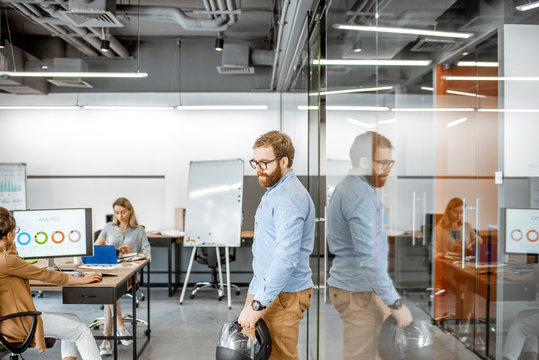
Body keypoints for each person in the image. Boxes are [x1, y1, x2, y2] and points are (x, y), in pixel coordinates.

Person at [327, 131, 413, 360]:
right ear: (364, 162)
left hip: (361, 288)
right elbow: (369, 257)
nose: (388, 168)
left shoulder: (353, 188)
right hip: (358, 290)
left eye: (390, 162)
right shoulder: (359, 195)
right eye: (384, 163)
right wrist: (395, 303)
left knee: (375, 353)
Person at [237, 130, 315, 359]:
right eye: (255, 162)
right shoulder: (275, 191)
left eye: (264, 162)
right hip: (265, 287)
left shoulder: (289, 197)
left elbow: (286, 258)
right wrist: (255, 296)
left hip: (282, 295)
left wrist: (257, 304)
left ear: (284, 161)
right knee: (256, 352)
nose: (259, 168)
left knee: (278, 355)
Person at [0, 207, 103, 360]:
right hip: (19, 323)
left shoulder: (6, 258)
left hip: (6, 321)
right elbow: (45, 275)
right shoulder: (7, 260)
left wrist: (10, 249)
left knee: (72, 318)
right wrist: (82, 279)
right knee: (82, 331)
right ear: (9, 235)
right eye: (16, 231)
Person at [94, 197, 151, 356]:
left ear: (130, 211)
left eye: (123, 212)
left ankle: (107, 340)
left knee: (110, 293)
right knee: (110, 289)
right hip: (110, 270)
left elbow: (147, 254)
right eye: (116, 213)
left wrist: (130, 253)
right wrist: (98, 245)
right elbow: (96, 249)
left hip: (130, 275)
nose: (119, 216)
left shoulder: (139, 230)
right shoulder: (108, 227)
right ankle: (118, 326)